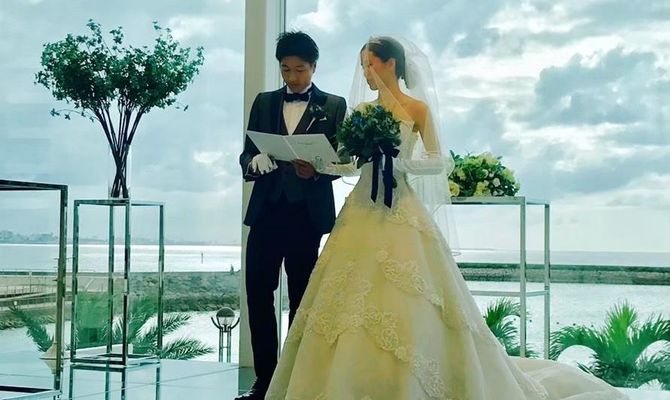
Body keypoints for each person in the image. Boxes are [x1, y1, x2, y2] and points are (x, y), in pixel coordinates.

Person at [264, 36, 628, 400]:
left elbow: (440, 160)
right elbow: (347, 163)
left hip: (401, 205)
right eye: (362, 67)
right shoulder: (361, 111)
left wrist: (400, 163)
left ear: (390, 64)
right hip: (361, 208)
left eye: (370, 64)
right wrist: (318, 166)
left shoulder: (417, 108)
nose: (366, 74)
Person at [237, 31, 347, 400]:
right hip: (266, 211)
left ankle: (295, 381)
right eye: (285, 69)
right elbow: (246, 151)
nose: (292, 77)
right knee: (257, 293)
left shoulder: (334, 105)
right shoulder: (264, 102)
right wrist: (254, 161)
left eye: (299, 70)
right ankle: (264, 381)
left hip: (306, 216)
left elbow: (342, 161)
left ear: (314, 67)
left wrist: (316, 171)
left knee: (301, 299)